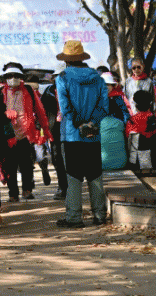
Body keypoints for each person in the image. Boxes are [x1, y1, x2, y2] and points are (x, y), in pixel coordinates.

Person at [55, 40, 109, 228]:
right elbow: (104, 106)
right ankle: (100, 215)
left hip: (72, 136)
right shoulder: (98, 78)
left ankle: (74, 218)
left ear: (66, 60)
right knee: (95, 175)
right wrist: (91, 123)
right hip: (94, 135)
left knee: (73, 176)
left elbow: (65, 108)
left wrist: (79, 124)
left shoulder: (62, 78)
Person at [0, 62, 53, 201]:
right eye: (10, 76)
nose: (13, 78)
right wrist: (4, 114)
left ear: (21, 77)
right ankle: (13, 194)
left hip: (26, 135)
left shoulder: (28, 90)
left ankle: (27, 190)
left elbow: (40, 111)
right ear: (5, 78)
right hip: (7, 136)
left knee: (27, 165)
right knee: (10, 166)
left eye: (16, 75)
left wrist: (45, 130)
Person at [41, 64, 68, 200]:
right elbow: (42, 111)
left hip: (70, 129)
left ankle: (72, 187)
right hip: (54, 130)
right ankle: (62, 187)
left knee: (70, 159)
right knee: (57, 159)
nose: (59, 79)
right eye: (56, 76)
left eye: (62, 76)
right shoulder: (48, 92)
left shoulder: (73, 89)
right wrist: (42, 129)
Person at [125, 90, 156, 169]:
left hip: (136, 162)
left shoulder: (132, 121)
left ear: (136, 105)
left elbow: (128, 139)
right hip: (154, 161)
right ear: (150, 105)